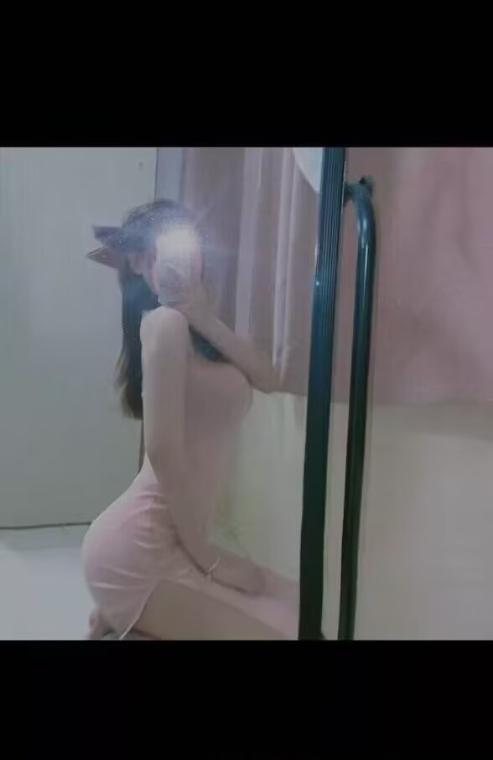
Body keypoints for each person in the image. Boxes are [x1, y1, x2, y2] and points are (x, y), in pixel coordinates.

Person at [82, 199, 299, 640]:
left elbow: (269, 378)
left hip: (177, 542)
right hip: (142, 548)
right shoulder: (163, 325)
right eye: (151, 251)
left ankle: (126, 619)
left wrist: (201, 313)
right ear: (138, 263)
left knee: (301, 609)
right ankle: (130, 608)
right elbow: (162, 450)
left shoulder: (196, 329)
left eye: (185, 243)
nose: (172, 259)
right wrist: (210, 558)